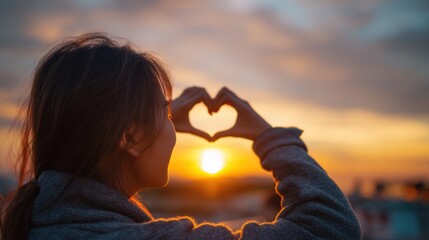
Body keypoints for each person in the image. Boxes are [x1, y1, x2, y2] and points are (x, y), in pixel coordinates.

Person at [0, 33, 361, 240]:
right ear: (129, 137)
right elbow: (329, 226)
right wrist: (270, 136)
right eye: (165, 112)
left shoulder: (31, 223)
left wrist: (150, 123)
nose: (172, 126)